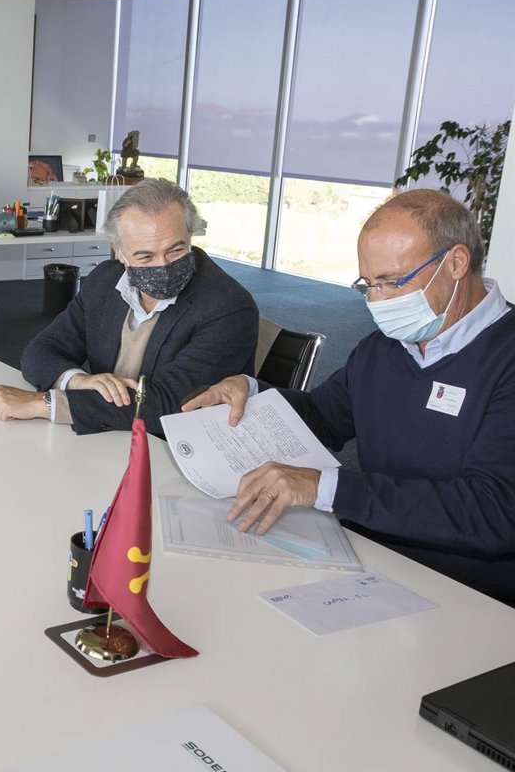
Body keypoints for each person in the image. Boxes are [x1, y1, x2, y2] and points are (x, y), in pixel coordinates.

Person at [183, 189, 515, 605]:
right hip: (373, 561)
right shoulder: (384, 349)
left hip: (471, 593)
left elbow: (495, 511)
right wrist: (250, 392)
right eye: (368, 284)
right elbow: (323, 417)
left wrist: (330, 489)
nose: (377, 301)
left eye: (392, 282)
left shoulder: (504, 357)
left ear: (456, 263)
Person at [0, 178, 258, 437]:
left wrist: (44, 404)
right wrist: (77, 380)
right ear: (120, 252)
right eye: (145, 256)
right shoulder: (105, 280)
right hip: (106, 438)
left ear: (190, 236)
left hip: (169, 447)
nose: (163, 266)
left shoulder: (228, 307)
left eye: (176, 250)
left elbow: (168, 405)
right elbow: (41, 350)